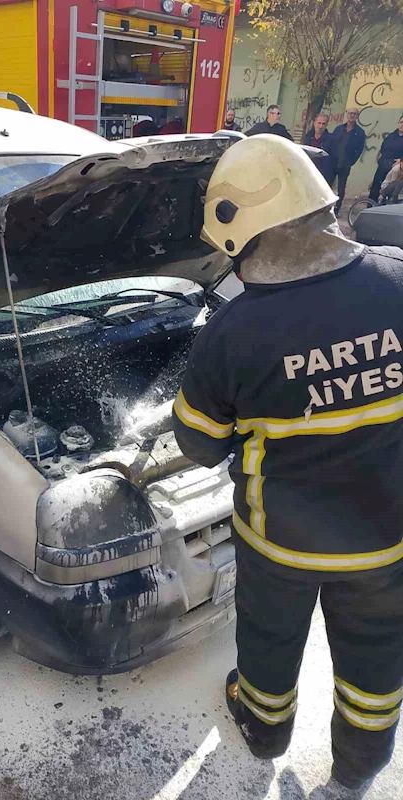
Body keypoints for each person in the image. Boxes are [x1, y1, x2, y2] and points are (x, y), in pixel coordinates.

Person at [173, 132, 403, 793]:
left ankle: (264, 727)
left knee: (269, 642)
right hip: (387, 541)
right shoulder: (398, 279)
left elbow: (198, 442)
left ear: (244, 237)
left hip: (281, 544)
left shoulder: (235, 333)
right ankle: (357, 773)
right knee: (376, 660)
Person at [329, 108, 366, 215]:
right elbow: (332, 143)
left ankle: (337, 209)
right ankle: (324, 208)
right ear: (347, 115)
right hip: (333, 162)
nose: (351, 115)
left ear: (357, 116)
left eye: (354, 114)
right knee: (327, 186)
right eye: (350, 113)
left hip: (345, 164)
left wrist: (351, 162)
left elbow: (359, 149)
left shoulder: (359, 132)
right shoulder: (339, 129)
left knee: (341, 189)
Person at [369, 115, 403, 202]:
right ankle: (370, 207)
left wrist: (401, 160)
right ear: (398, 123)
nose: (402, 125)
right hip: (383, 165)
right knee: (375, 187)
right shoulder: (391, 136)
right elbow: (383, 148)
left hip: (395, 168)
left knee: (390, 189)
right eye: (401, 122)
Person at [303, 113, 332, 180]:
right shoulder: (308, 137)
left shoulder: (331, 140)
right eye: (319, 123)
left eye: (323, 124)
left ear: (326, 125)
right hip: (307, 171)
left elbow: (332, 161)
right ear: (314, 123)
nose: (321, 126)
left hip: (321, 175)